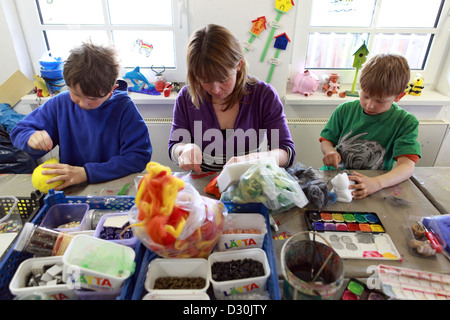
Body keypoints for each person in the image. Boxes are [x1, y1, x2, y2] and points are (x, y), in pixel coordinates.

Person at [11, 41, 152, 190]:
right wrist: (31, 137)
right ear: (68, 84)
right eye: (76, 94)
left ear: (112, 90)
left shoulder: (124, 109)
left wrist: (87, 173)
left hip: (115, 187)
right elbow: (19, 131)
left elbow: (138, 157)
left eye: (92, 98)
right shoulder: (60, 103)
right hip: (71, 188)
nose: (83, 103)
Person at [168, 24, 295, 173]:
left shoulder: (264, 96)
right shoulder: (186, 97)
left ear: (239, 65)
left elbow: (285, 152)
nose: (215, 89)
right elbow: (174, 147)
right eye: (205, 80)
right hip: (202, 185)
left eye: (223, 79)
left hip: (250, 183)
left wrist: (251, 160)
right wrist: (184, 149)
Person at [319, 53, 421, 199]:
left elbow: (407, 167)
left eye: (380, 101)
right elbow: (326, 140)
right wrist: (329, 151)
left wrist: (377, 183)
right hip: (334, 177)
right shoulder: (345, 110)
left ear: (398, 97)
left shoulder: (405, 122)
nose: (370, 105)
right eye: (365, 96)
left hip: (372, 185)